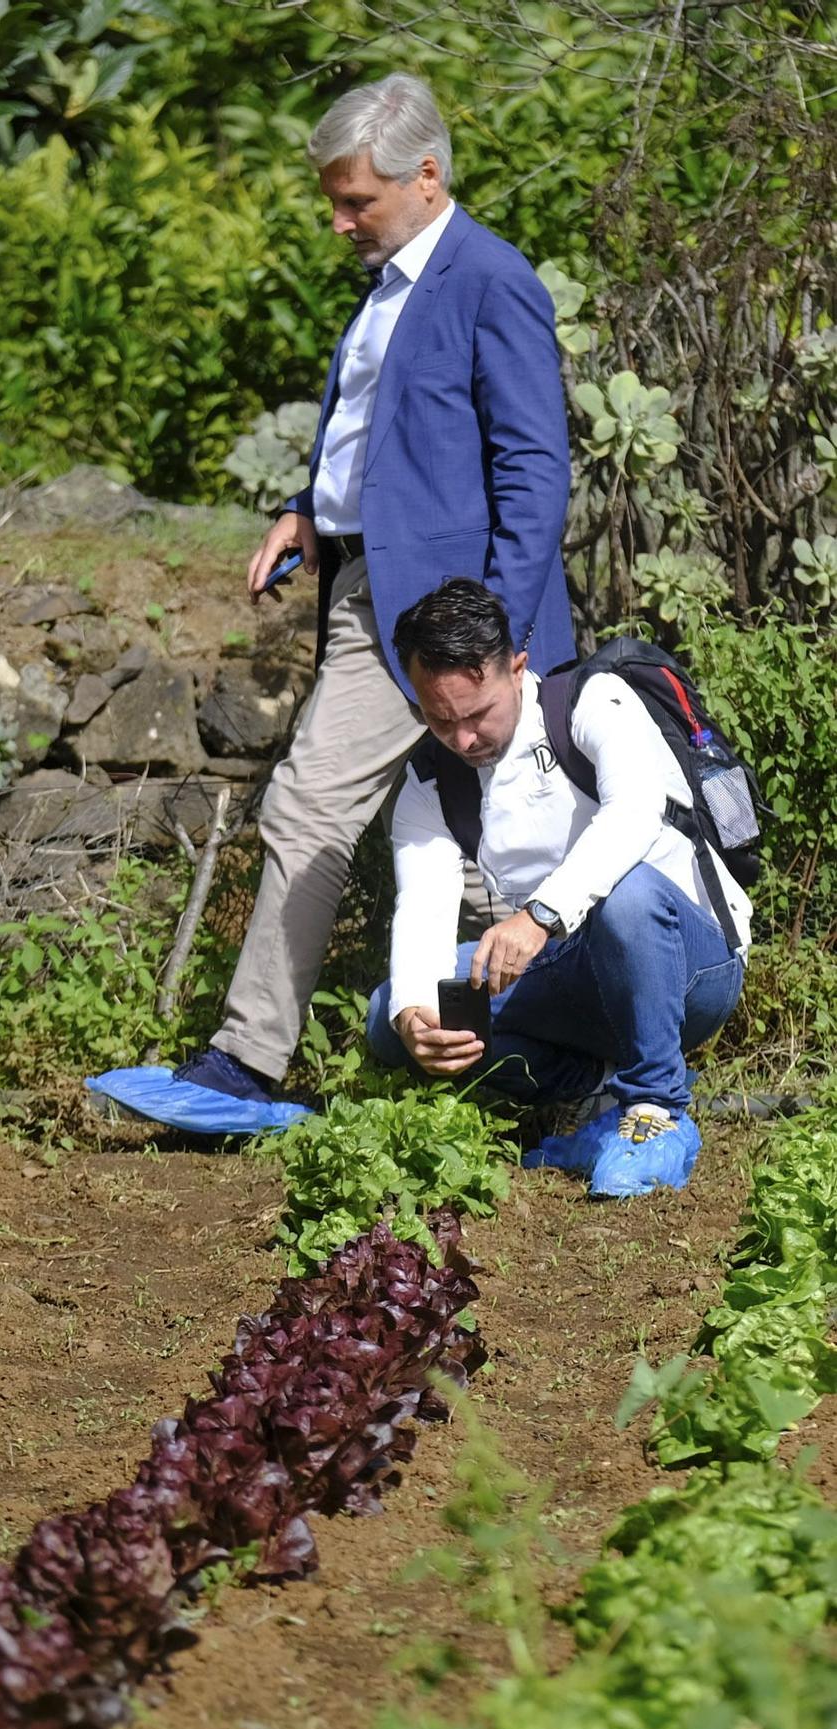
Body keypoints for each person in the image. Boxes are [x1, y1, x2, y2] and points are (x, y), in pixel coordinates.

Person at [91, 71, 573, 1134]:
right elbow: (380, 438)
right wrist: (304, 512)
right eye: (334, 197)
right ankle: (514, 1071)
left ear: (427, 174)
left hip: (444, 612)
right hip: (366, 578)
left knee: (312, 803)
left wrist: (490, 637)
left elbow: (535, 472)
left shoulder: (489, 280)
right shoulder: (387, 284)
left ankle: (245, 1064)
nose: (338, 218)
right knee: (463, 830)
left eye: (355, 198)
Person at [365, 577, 750, 1197]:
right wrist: (416, 1012)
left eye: (477, 714)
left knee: (627, 893)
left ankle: (656, 1109)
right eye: (440, 720)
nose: (463, 739)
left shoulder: (594, 702)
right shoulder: (431, 782)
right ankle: (590, 1095)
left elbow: (635, 812)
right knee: (390, 1017)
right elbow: (424, 905)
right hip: (570, 976)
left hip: (690, 969)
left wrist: (539, 915)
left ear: (517, 669)